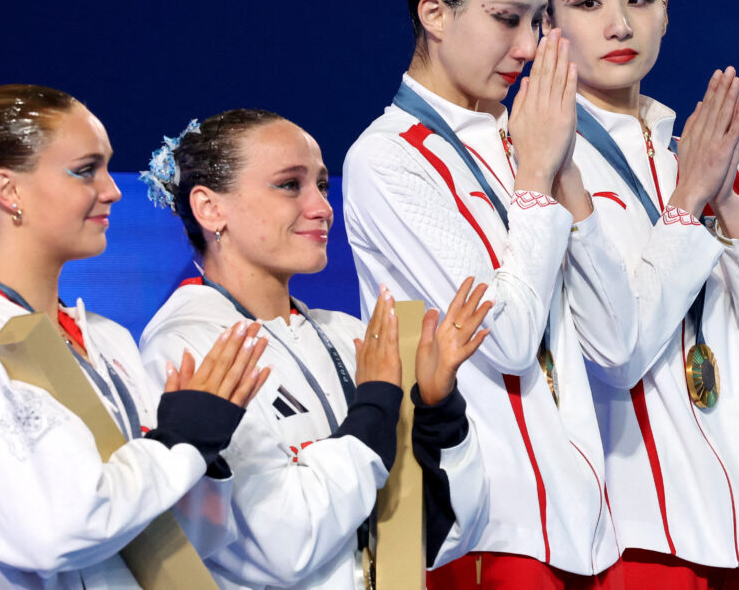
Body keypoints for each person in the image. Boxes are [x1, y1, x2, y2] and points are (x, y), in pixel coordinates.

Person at [0, 85, 266, 589]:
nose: (112, 189)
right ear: (7, 190)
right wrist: (178, 445)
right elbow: (52, 531)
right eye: (85, 170)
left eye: (107, 167)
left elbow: (174, 543)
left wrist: (203, 455)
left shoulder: (107, 339)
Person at [343, 0, 629, 588]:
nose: (528, 45)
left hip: (585, 530)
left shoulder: (529, 140)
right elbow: (505, 341)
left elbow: (617, 341)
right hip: (483, 537)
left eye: (538, 22)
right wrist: (535, 181)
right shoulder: (387, 160)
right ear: (435, 14)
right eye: (507, 18)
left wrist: (563, 178)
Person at [541, 0, 739, 588]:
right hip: (627, 540)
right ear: (546, 24)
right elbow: (619, 354)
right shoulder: (543, 163)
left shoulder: (699, 156)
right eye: (588, 3)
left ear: (666, 11)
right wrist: (685, 204)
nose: (619, 24)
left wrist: (724, 202)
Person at [139, 109, 492, 589]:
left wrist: (437, 414)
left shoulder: (349, 335)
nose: (323, 207)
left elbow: (447, 536)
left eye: (322, 186)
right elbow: (282, 547)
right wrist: (374, 409)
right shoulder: (189, 346)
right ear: (210, 208)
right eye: (290, 185)